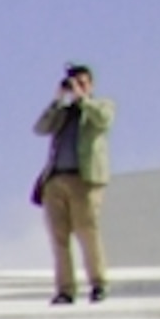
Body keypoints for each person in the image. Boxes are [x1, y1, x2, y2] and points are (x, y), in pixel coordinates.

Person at [35, 65, 115, 305]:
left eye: (82, 82)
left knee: (87, 232)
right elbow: (40, 128)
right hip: (55, 179)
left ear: (90, 84)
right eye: (73, 82)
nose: (76, 86)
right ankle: (65, 289)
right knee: (59, 237)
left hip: (85, 179)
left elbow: (103, 121)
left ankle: (98, 283)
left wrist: (83, 99)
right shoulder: (64, 112)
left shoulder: (101, 106)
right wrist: (57, 99)